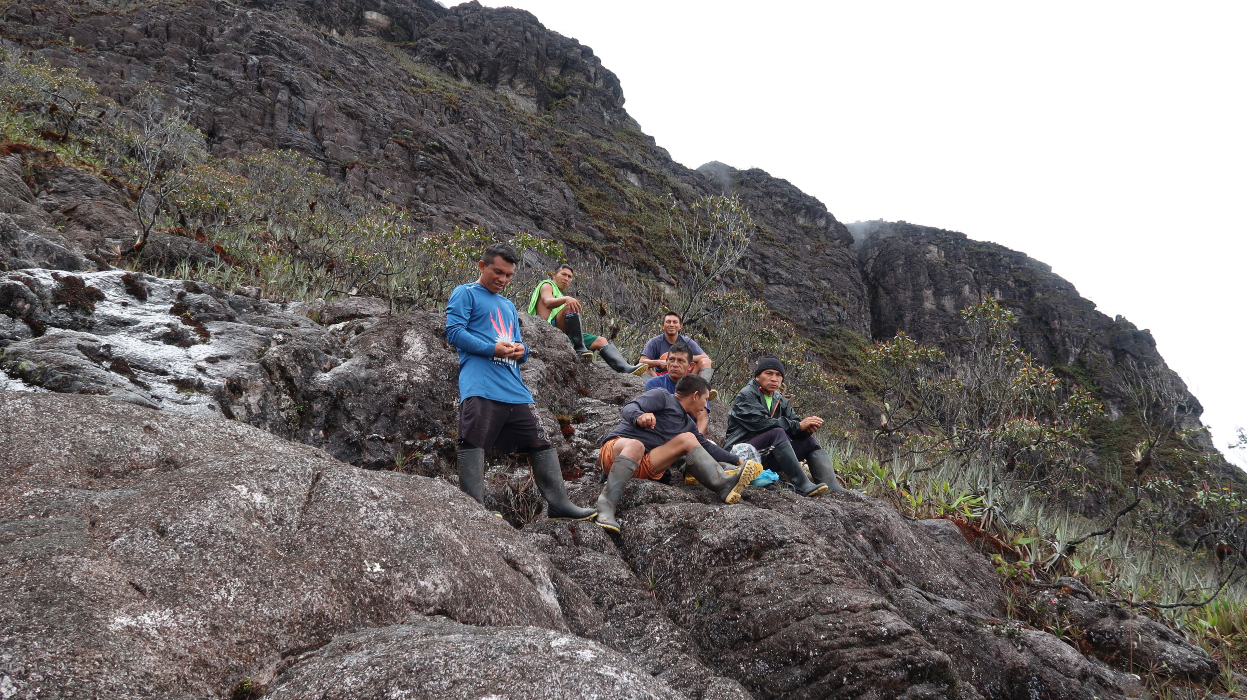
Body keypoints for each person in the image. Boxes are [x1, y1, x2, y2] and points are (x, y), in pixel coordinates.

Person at [446, 243, 597, 522]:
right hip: (480, 383)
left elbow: (519, 344)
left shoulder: (507, 305)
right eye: (497, 272)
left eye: (509, 275)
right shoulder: (465, 293)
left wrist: (520, 350)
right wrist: (493, 349)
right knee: (473, 440)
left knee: (540, 442)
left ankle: (559, 505)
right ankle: (474, 510)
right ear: (482, 266)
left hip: (514, 387)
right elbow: (454, 332)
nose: (502, 280)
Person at [594, 374, 762, 533]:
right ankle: (606, 505)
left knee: (689, 439)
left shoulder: (687, 424)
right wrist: (640, 416)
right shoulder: (662, 396)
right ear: (695, 395)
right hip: (617, 452)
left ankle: (723, 485)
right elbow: (630, 407)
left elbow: (707, 447)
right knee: (637, 445)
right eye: (705, 399)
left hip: (642, 467)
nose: (705, 406)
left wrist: (736, 460)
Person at [725, 355, 853, 497]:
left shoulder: (779, 400)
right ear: (757, 377)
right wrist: (798, 425)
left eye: (778, 375)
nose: (774, 378)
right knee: (777, 432)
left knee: (808, 442)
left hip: (765, 456)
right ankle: (803, 484)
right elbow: (761, 423)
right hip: (740, 455)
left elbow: (794, 427)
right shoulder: (747, 394)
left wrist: (806, 430)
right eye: (769, 373)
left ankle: (833, 489)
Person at [528, 264, 646, 375]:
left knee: (601, 341)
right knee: (571, 306)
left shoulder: (560, 294)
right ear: (554, 275)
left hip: (562, 333)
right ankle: (580, 348)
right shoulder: (547, 285)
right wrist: (566, 299)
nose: (566, 278)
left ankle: (625, 368)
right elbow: (548, 302)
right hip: (546, 330)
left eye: (569, 277)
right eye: (563, 274)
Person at [643, 341, 710, 434]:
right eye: (671, 359)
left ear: (690, 366)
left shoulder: (697, 387)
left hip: (689, 437)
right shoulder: (654, 384)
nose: (675, 364)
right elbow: (648, 414)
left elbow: (702, 421)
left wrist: (694, 442)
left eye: (681, 361)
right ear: (666, 361)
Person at [639, 312, 714, 389]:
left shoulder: (687, 341)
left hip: (685, 376)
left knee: (706, 362)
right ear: (662, 326)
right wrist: (659, 363)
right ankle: (655, 391)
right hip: (662, 378)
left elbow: (705, 357)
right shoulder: (654, 342)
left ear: (680, 326)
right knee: (641, 368)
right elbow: (642, 361)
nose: (671, 325)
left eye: (675, 322)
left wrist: (684, 359)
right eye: (668, 322)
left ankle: (702, 389)